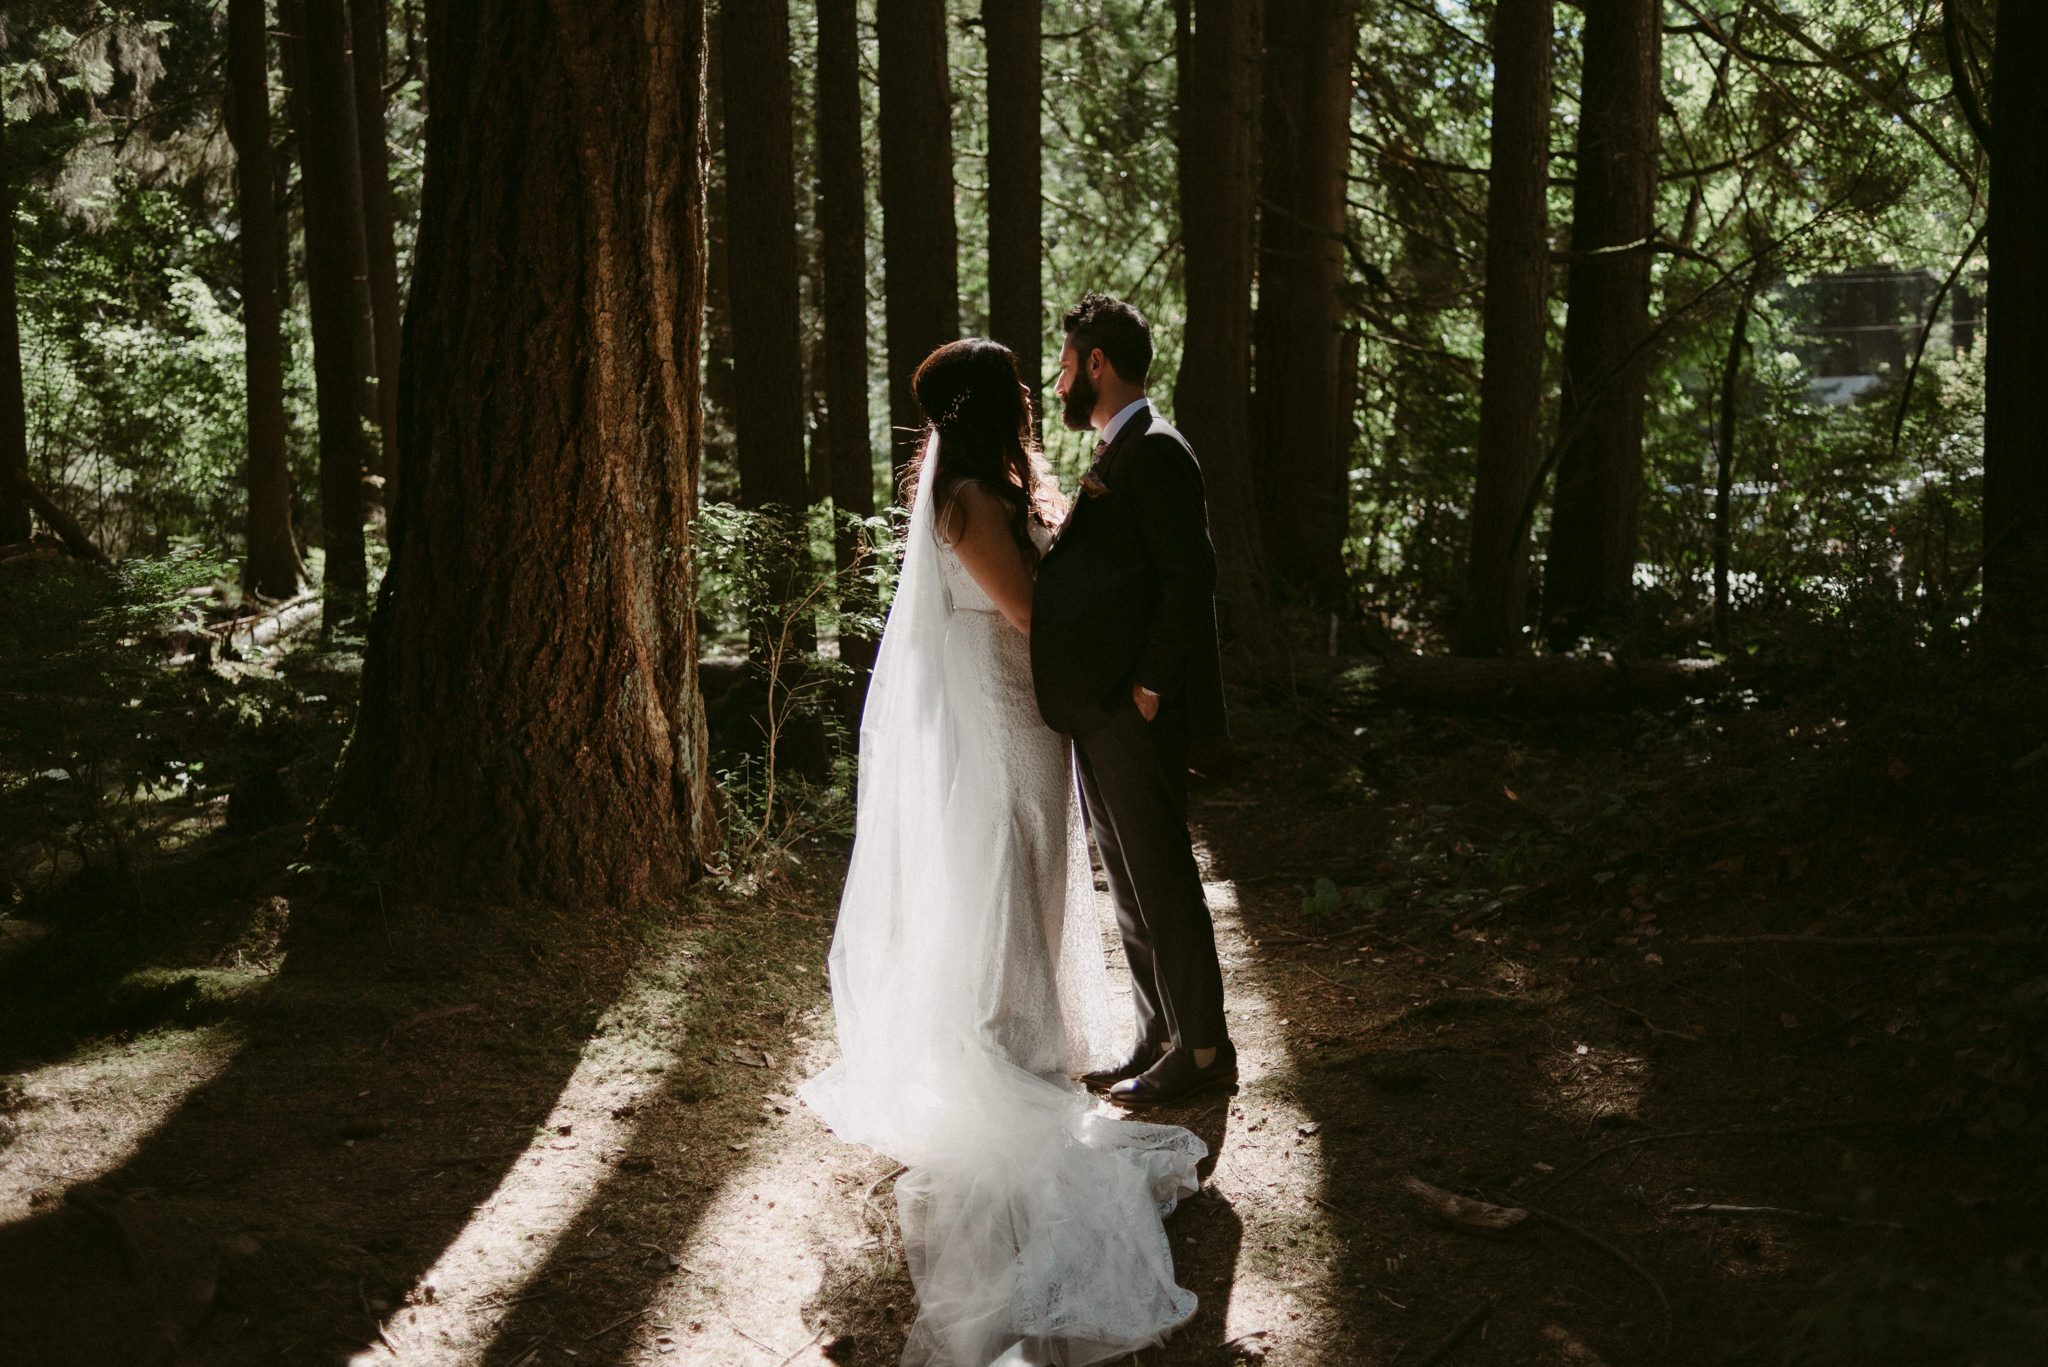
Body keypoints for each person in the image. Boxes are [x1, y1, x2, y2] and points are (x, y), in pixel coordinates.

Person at [799, 339, 1206, 1367]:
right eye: (1021, 387)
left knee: (1035, 872)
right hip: (1002, 713)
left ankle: (1026, 1038)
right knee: (1010, 873)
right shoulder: (970, 499)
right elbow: (1028, 610)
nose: (1037, 393)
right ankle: (1007, 1051)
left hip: (1030, 716)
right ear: (991, 405)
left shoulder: (994, 485)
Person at [1032, 293, 1236, 1108]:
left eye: (1065, 364)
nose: (1057, 382)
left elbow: (1191, 577)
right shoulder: (1119, 450)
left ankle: (1205, 1047)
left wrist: (1150, 686)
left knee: (1161, 872)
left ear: (1097, 364)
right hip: (1106, 707)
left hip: (1137, 707)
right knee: (1126, 871)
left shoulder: (1155, 450)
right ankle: (1159, 1034)